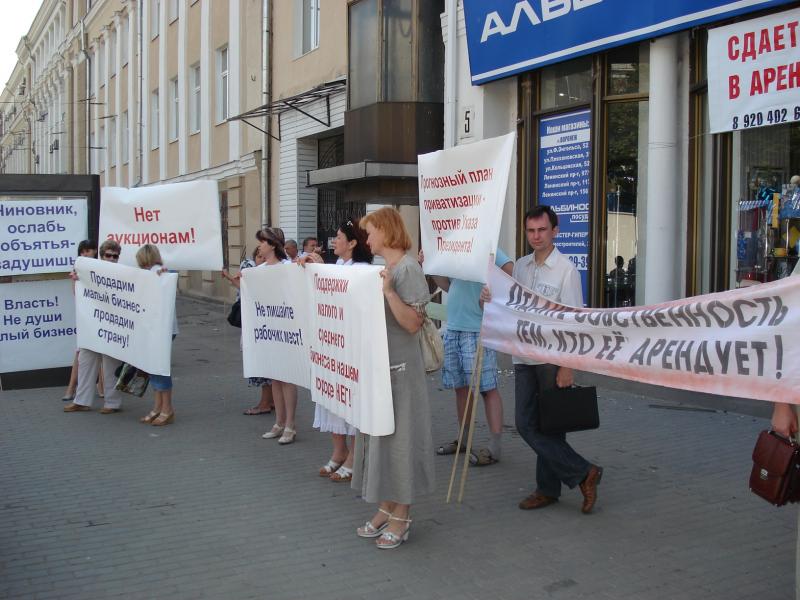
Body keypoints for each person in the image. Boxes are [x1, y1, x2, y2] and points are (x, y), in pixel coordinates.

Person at [483, 206, 603, 513]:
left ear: (555, 231)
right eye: (531, 231)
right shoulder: (521, 267)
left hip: (552, 359)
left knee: (550, 425)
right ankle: (583, 472)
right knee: (525, 424)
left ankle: (548, 488)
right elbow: (509, 305)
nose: (536, 236)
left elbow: (575, 321)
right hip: (524, 356)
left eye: (542, 230)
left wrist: (568, 366)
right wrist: (489, 299)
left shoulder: (566, 270)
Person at [352, 207, 434, 549]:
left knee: (401, 442)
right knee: (385, 441)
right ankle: (387, 507)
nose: (367, 238)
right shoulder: (386, 268)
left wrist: (389, 292)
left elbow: (414, 323)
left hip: (402, 371)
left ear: (386, 231)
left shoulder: (408, 269)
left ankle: (402, 515)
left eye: (370, 231)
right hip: (383, 370)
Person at [421, 248, 513, 466]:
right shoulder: (457, 246)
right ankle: (463, 439)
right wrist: (431, 265)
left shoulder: (487, 245)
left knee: (487, 388)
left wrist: (494, 291)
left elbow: (510, 270)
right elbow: (448, 285)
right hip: (453, 326)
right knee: (460, 387)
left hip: (476, 329)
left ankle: (495, 447)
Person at [299, 220, 373, 482]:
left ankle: (354, 455)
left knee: (349, 400)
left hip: (350, 347)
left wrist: (321, 269)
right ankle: (339, 450)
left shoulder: (363, 270)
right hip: (331, 344)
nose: (334, 240)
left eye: (339, 237)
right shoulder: (338, 265)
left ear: (352, 243)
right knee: (331, 397)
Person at [64, 240, 125, 415]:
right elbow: (78, 294)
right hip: (91, 326)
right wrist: (77, 280)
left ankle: (112, 403)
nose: (111, 259)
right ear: (102, 255)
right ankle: (81, 401)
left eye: (115, 256)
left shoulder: (122, 273)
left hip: (111, 326)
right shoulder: (90, 271)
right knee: (85, 362)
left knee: (110, 365)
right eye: (108, 255)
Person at [255, 228, 299, 445]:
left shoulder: (289, 267)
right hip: (269, 329)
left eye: (262, 242)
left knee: (288, 376)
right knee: (275, 376)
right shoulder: (259, 269)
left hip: (286, 328)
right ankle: (279, 422)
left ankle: (290, 424)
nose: (259, 246)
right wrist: (236, 280)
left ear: (272, 245)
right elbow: (252, 295)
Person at [222, 245, 274, 416]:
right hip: (258, 326)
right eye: (259, 257)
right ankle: (271, 401)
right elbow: (245, 289)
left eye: (264, 257)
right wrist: (230, 277)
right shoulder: (255, 273)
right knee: (265, 366)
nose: (262, 260)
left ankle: (265, 403)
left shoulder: (270, 274)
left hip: (264, 328)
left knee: (264, 367)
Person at [135, 244, 178, 426]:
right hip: (155, 328)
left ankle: (167, 409)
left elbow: (170, 278)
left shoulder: (160, 272)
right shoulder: (152, 273)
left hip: (160, 329)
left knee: (159, 369)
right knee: (154, 369)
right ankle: (158, 407)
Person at [61, 239, 99, 402]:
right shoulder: (78, 269)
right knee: (81, 352)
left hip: (101, 315)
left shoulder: (102, 266)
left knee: (103, 352)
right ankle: (71, 387)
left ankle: (100, 387)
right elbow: (76, 293)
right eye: (82, 251)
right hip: (86, 316)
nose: (85, 254)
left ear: (95, 251)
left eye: (88, 250)